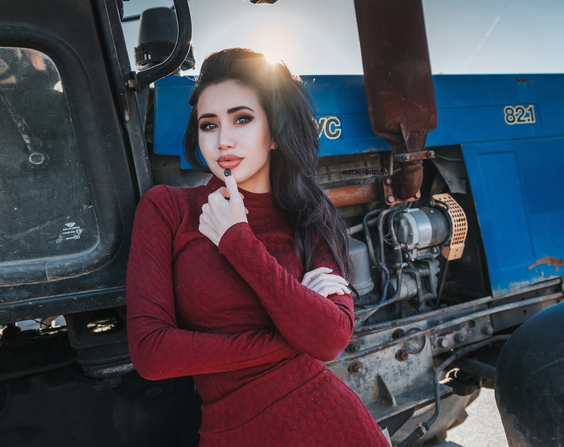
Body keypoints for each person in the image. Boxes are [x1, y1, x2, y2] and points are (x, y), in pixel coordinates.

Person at [126, 48, 388, 446]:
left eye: (242, 119)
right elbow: (152, 353)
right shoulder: (167, 209)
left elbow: (331, 339)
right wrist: (292, 336)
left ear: (275, 135)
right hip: (229, 431)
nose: (223, 140)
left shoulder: (309, 216)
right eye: (209, 125)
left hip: (330, 425)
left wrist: (238, 242)